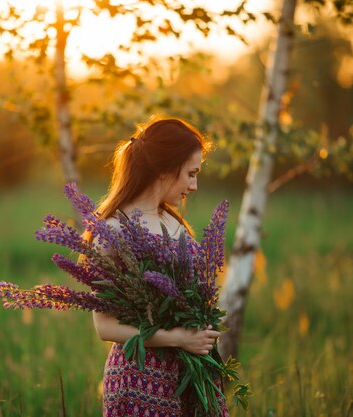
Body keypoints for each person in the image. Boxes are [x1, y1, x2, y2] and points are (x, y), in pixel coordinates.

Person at [89, 117, 228, 417]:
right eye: (191, 174)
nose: (194, 185)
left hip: (190, 378)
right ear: (166, 168)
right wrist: (179, 338)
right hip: (139, 381)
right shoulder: (113, 230)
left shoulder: (173, 222)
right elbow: (104, 326)